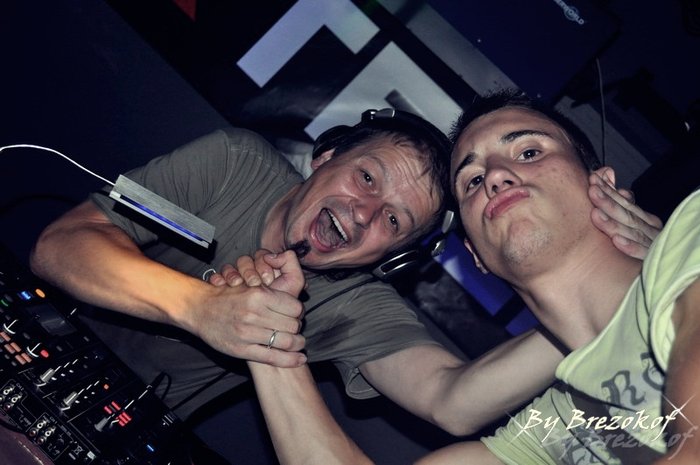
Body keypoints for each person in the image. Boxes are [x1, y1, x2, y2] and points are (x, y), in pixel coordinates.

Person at [30, 107, 657, 446]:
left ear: (395, 258)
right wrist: (202, 308)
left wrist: (592, 306)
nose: (362, 214)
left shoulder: (355, 304)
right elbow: (64, 243)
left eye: (393, 220)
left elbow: (453, 400)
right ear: (326, 156)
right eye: (366, 178)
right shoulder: (233, 163)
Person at [230, 91, 698, 465]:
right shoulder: (563, 422)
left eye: (528, 151)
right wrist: (265, 327)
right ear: (475, 255)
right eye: (472, 180)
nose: (495, 174)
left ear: (605, 186)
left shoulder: (690, 244)